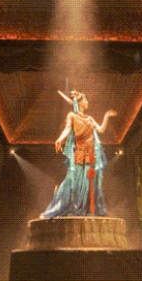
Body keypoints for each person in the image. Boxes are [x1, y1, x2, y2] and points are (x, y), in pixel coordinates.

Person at [40, 90, 116, 218]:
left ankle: (86, 209)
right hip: (80, 154)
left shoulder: (90, 118)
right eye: (85, 100)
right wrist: (60, 139)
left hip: (90, 154)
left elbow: (101, 129)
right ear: (80, 103)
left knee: (88, 184)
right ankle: (62, 207)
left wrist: (107, 116)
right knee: (73, 181)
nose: (87, 102)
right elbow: (67, 129)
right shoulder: (72, 116)